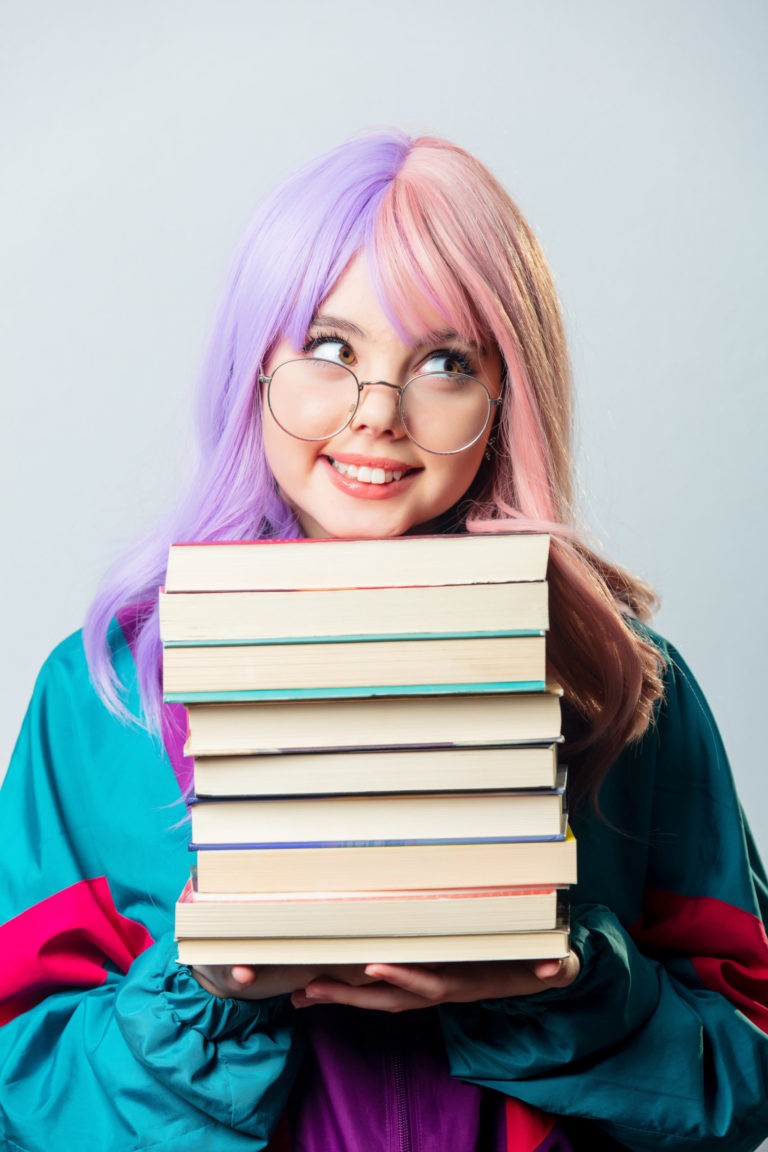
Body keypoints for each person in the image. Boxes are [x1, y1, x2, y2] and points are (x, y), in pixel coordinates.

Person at [1, 129, 767, 1152]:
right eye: (330, 348)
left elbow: (747, 1058)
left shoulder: (621, 687)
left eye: (444, 360)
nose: (376, 414)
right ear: (256, 360)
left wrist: (571, 983)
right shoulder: (108, 693)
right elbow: (22, 1082)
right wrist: (208, 986)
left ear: (506, 396)